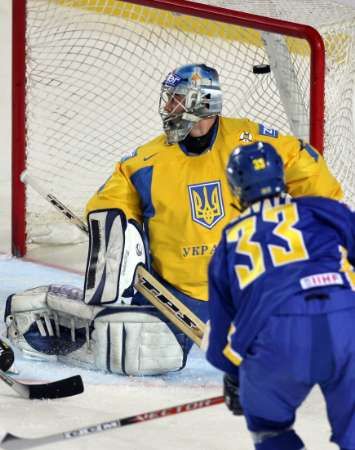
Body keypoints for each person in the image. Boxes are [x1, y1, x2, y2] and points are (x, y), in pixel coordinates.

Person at [5, 64, 343, 378]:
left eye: (177, 99)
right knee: (136, 351)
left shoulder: (250, 142)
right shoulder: (145, 162)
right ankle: (50, 316)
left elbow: (310, 174)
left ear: (202, 102)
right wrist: (119, 237)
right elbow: (107, 204)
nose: (169, 107)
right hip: (174, 298)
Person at [206, 141, 355, 450]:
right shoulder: (320, 207)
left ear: (235, 187)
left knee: (268, 428)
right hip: (344, 320)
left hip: (275, 338)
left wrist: (236, 379)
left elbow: (220, 339)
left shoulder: (227, 244)